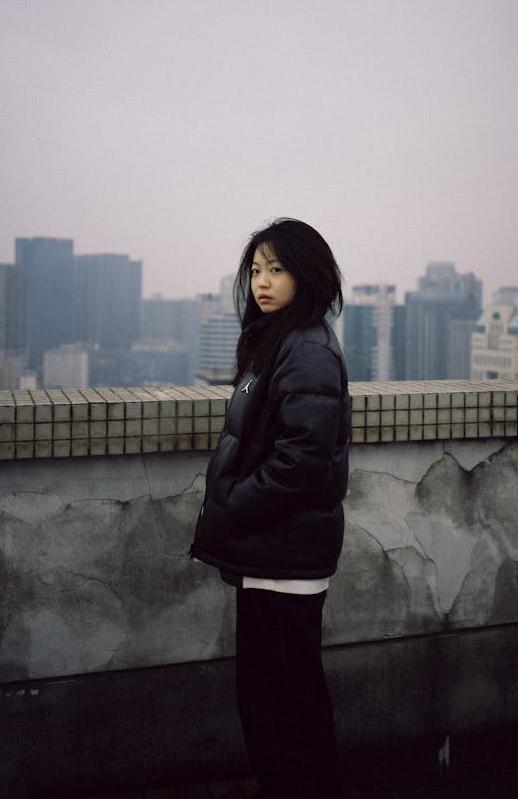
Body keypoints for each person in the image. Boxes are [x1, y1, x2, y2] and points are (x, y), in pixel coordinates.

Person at [190, 217, 351, 799]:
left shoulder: (305, 350)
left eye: (277, 269)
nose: (262, 281)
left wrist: (233, 504)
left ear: (306, 275)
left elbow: (302, 462)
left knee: (285, 704)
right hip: (273, 554)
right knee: (273, 700)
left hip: (285, 557)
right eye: (256, 270)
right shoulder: (279, 341)